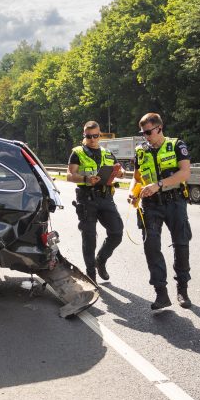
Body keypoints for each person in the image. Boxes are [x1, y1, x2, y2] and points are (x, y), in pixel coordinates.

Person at [130, 113, 193, 310]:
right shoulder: (141, 151)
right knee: (151, 247)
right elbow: (137, 177)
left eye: (148, 132)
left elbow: (185, 173)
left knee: (181, 244)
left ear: (159, 128)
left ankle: (182, 289)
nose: (146, 136)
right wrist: (134, 192)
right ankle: (161, 293)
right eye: (143, 133)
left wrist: (159, 184)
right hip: (150, 205)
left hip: (174, 202)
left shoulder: (176, 145)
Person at [66, 121, 123, 283]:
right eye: (89, 136)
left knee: (116, 233)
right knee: (89, 237)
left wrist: (120, 174)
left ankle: (101, 260)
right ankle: (91, 275)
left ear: (100, 135)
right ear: (84, 136)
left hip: (105, 198)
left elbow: (118, 169)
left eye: (95, 136)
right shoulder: (77, 153)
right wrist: (86, 178)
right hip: (86, 198)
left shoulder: (107, 153)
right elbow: (70, 175)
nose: (92, 139)